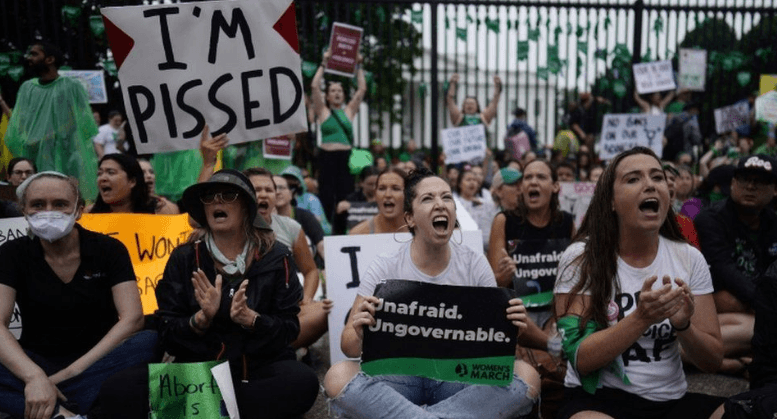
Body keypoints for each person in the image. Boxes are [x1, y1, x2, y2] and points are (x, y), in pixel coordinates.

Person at [324, 168, 540, 419]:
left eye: (447, 197)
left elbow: (495, 356)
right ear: (410, 218)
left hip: (457, 378)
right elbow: (348, 346)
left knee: (528, 376)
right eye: (428, 198)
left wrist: (511, 330)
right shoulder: (385, 265)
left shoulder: (474, 264)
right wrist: (360, 331)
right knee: (337, 376)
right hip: (399, 378)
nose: (440, 204)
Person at [553, 147, 724, 419]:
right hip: (599, 402)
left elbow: (713, 361)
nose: (650, 185)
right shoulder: (580, 258)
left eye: (657, 177)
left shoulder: (690, 258)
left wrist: (683, 325)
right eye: (633, 179)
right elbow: (581, 359)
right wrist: (641, 318)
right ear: (610, 201)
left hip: (671, 402)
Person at [153, 169, 318, 418]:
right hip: (201, 372)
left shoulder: (277, 257)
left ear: (246, 208)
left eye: (228, 195)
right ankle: (221, 408)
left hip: (257, 371)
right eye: (209, 197)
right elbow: (166, 332)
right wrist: (200, 320)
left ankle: (219, 410)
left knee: (303, 381)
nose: (217, 202)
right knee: (120, 388)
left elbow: (289, 330)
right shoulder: (184, 258)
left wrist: (253, 320)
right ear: (204, 211)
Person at [0, 171, 156, 419]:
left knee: (149, 341)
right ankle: (69, 413)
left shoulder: (108, 249)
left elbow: (133, 319)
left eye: (60, 204)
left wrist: (62, 377)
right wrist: (34, 376)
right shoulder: (11, 253)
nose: (48, 211)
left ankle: (49, 405)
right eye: (38, 204)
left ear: (79, 209)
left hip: (99, 361)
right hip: (36, 362)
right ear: (24, 210)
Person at [694, 155, 777, 374]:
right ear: (732, 184)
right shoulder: (710, 219)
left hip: (750, 310)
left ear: (774, 190)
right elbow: (723, 269)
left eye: (759, 182)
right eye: (744, 180)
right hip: (713, 310)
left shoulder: (773, 222)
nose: (750, 186)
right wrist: (765, 304)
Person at [488, 159, 575, 350]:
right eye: (528, 177)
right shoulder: (503, 221)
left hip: (558, 314)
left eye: (541, 177)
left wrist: (556, 319)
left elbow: (577, 282)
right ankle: (552, 348)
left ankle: (552, 347)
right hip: (518, 317)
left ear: (555, 186)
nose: (533, 182)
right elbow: (493, 288)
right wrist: (502, 277)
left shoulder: (568, 224)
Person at [244, 168, 332, 351]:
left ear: (275, 197)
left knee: (329, 308)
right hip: (246, 314)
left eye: (269, 190)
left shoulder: (290, 227)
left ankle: (284, 348)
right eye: (256, 190)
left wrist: (307, 299)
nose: (263, 195)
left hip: (286, 310)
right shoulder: (233, 229)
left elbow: (311, 271)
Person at [4, 42, 99, 200]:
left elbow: (84, 125)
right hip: (33, 157)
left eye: (34, 54)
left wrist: (51, 138)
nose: (29, 58)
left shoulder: (71, 86)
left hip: (65, 158)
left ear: (49, 59)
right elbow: (18, 125)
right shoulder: (27, 88)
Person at [310, 48, 367, 222]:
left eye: (339, 91)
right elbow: (314, 86)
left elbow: (362, 88)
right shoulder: (323, 111)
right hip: (327, 157)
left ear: (343, 96)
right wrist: (324, 62)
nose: (336, 93)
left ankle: (343, 230)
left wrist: (359, 65)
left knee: (345, 195)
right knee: (326, 195)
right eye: (333, 90)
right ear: (327, 95)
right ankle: (326, 230)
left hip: (345, 157)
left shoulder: (349, 111)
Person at [88, 154, 178, 215]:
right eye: (99, 174)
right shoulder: (88, 213)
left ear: (132, 182)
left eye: (111, 173)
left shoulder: (161, 210)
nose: (102, 178)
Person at [274, 174, 326, 266]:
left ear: (291, 193)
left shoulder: (305, 216)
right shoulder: (261, 220)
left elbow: (322, 245)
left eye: (281, 188)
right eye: (273, 188)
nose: (277, 192)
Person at [350, 168, 407, 235]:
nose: (387, 194)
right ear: (375, 194)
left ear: (408, 194)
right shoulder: (358, 234)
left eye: (395, 189)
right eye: (382, 189)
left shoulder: (420, 231)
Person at [454, 166, 499, 250]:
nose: (472, 183)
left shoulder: (486, 203)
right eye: (468, 180)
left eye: (474, 180)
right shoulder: (454, 204)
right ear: (460, 184)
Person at [280, 165, 332, 236]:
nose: (290, 184)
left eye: (293, 181)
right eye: (286, 181)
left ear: (299, 183)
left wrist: (314, 221)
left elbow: (326, 230)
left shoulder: (311, 199)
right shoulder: (277, 199)